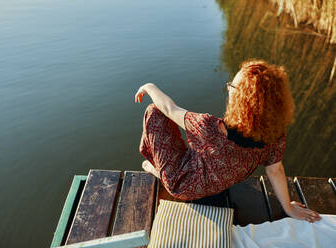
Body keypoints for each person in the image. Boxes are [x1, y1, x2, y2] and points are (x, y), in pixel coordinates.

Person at [134, 59, 321, 223]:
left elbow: (168, 108)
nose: (229, 87)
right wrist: (288, 208)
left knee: (154, 111)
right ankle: (164, 169)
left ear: (241, 98)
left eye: (232, 86)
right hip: (220, 184)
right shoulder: (275, 135)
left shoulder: (210, 128)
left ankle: (158, 171)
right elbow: (275, 170)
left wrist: (149, 86)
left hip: (182, 186)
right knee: (198, 153)